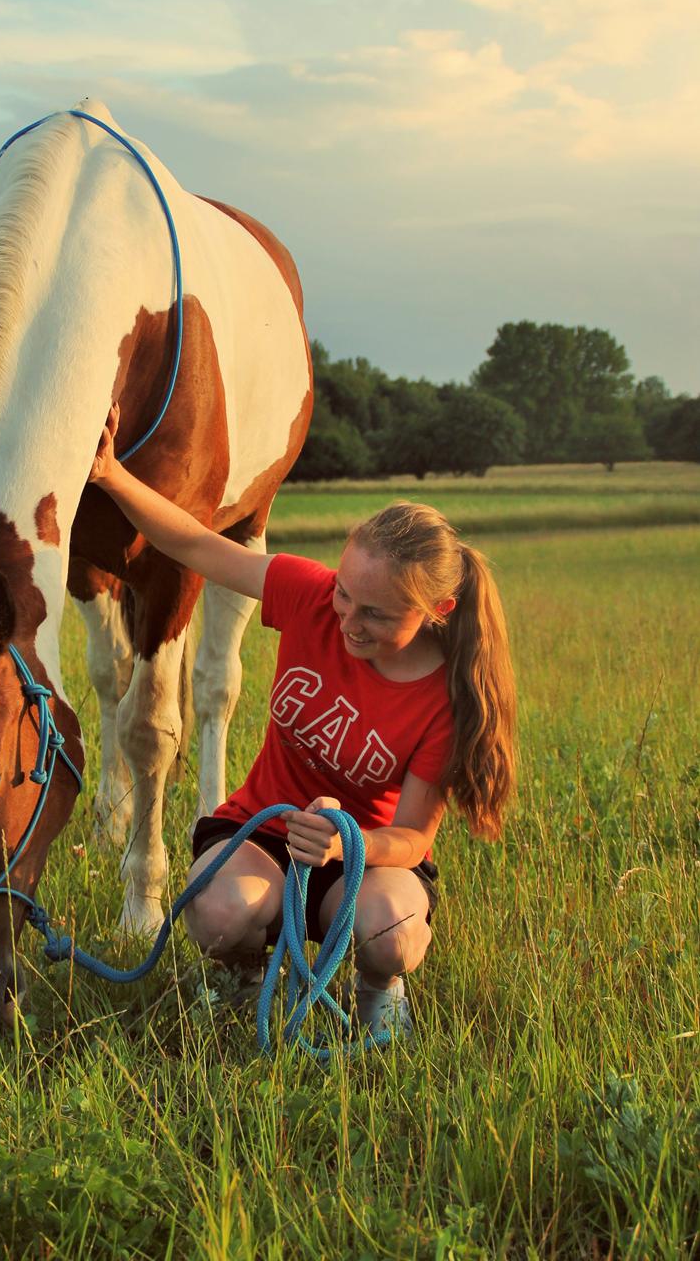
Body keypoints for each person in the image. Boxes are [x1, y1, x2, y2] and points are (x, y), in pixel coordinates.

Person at [88, 404, 517, 1039]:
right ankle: (247, 977)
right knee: (219, 912)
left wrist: (346, 842)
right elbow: (195, 544)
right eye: (345, 593)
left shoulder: (444, 700)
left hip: (364, 861)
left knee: (392, 932)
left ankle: (379, 988)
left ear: (436, 611)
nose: (347, 620)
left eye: (375, 613)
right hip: (259, 834)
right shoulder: (309, 594)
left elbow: (414, 839)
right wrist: (111, 476)